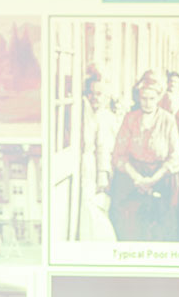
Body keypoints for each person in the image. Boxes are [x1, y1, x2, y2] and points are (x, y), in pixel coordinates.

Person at [108, 73, 179, 241]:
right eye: (144, 98)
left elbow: (175, 156)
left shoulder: (168, 120)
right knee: (130, 227)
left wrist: (152, 180)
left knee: (159, 228)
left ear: (159, 97)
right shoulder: (130, 118)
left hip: (160, 177)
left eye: (152, 98)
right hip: (132, 177)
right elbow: (119, 154)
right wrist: (138, 179)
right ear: (139, 97)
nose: (147, 103)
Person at [78, 67, 118, 241]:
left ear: (106, 97)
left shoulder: (105, 117)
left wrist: (103, 176)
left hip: (98, 169)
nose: (94, 97)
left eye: (99, 94)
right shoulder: (87, 113)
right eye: (91, 93)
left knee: (95, 206)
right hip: (86, 165)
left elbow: (104, 148)